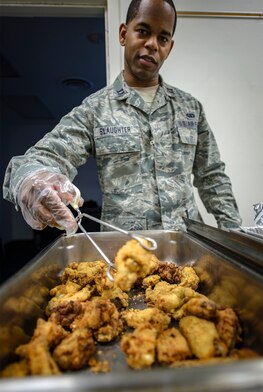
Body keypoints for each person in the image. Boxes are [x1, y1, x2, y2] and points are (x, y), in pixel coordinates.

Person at [2, 0, 242, 236]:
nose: (152, 44)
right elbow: (43, 157)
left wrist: (234, 234)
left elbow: (212, 175)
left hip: (188, 245)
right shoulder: (96, 109)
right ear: (123, 34)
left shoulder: (190, 108)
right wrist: (31, 178)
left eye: (163, 38)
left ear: (169, 47)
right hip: (125, 250)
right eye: (143, 31)